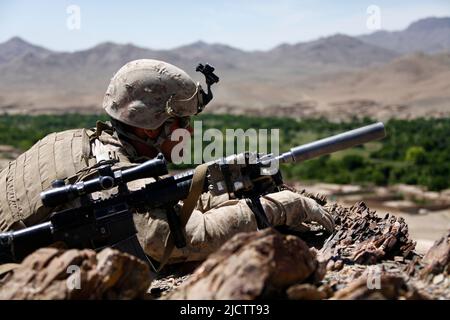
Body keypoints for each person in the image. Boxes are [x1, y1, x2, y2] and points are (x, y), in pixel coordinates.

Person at [0, 59, 334, 265]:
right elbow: (179, 240)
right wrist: (281, 207)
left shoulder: (74, 141)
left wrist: (225, 190)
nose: (188, 132)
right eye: (183, 124)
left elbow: (156, 197)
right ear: (152, 128)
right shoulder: (110, 180)